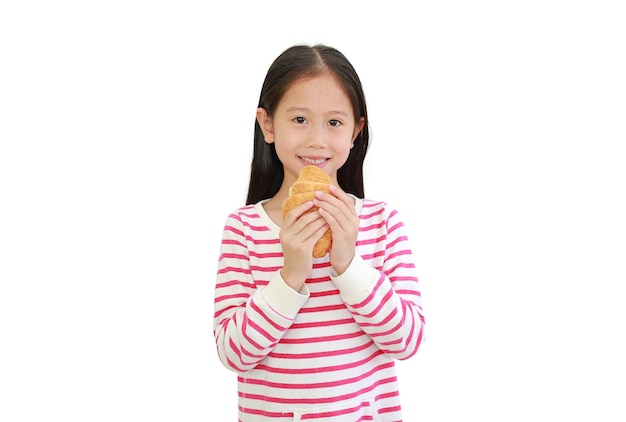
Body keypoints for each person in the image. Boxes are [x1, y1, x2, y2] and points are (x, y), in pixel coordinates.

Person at [213, 43, 425, 421]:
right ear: (267, 124)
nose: (316, 140)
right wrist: (290, 274)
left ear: (356, 130)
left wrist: (347, 263)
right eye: (299, 120)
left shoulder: (381, 222)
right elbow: (233, 353)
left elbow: (406, 341)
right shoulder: (243, 228)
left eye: (334, 122)